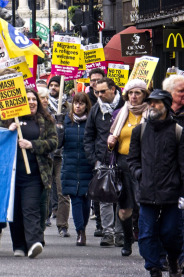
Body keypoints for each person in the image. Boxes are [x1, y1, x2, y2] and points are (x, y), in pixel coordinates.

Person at [128, 89, 184, 277]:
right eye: (150, 102)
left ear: (166, 106)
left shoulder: (178, 132)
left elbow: (183, 165)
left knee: (171, 233)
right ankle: (154, 267)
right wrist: (139, 174)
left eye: (157, 102)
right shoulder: (140, 130)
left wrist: (182, 193)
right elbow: (132, 159)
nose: (152, 105)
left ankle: (173, 258)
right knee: (146, 233)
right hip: (147, 191)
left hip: (171, 193)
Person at [1, 87, 57, 259]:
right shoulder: (8, 120)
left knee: (31, 209)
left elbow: (54, 142)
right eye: (28, 99)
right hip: (12, 174)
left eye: (34, 99)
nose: (31, 102)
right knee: (15, 211)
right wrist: (7, 130)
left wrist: (32, 145)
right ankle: (18, 245)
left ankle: (34, 243)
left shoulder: (46, 120)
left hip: (34, 174)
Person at [106, 79, 149, 256]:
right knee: (124, 210)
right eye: (130, 93)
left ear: (144, 95)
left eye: (137, 93)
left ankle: (147, 242)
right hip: (123, 164)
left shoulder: (152, 114)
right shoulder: (119, 114)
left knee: (145, 206)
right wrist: (110, 143)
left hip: (145, 165)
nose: (133, 96)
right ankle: (127, 239)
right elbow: (111, 142)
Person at [84, 77, 125, 247]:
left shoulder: (125, 106)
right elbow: (89, 136)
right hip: (103, 160)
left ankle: (121, 233)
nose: (99, 95)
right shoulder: (95, 110)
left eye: (102, 91)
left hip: (123, 158)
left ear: (113, 89)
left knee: (124, 197)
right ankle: (108, 233)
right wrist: (94, 159)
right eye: (97, 92)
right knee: (106, 197)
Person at [57, 92, 94, 246]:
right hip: (70, 166)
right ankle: (80, 232)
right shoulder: (66, 120)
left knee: (86, 200)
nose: (78, 106)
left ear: (86, 106)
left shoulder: (91, 122)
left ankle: (83, 226)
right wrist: (58, 127)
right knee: (76, 199)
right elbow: (58, 144)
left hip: (88, 165)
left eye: (81, 103)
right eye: (75, 103)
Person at [44, 77, 70, 237]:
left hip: (61, 156)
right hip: (45, 154)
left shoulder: (67, 107)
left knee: (62, 191)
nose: (53, 88)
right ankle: (44, 218)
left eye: (56, 85)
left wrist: (61, 124)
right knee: (44, 189)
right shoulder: (40, 111)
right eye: (51, 85)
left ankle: (63, 225)